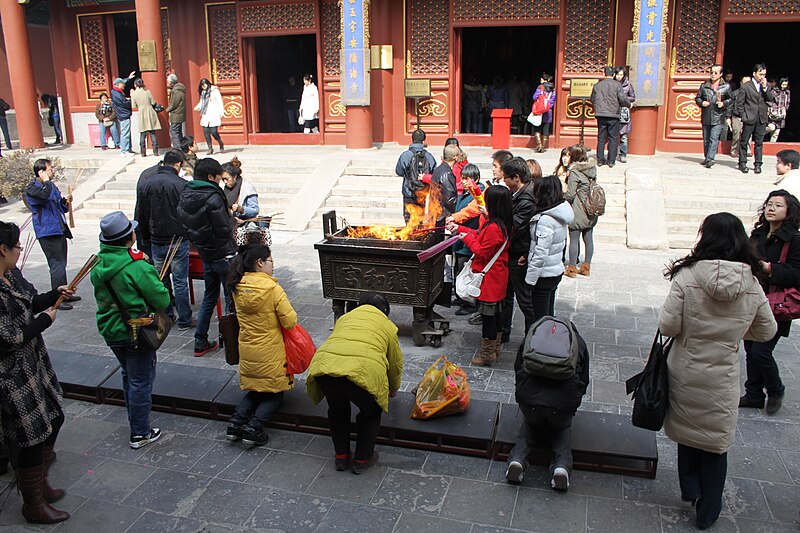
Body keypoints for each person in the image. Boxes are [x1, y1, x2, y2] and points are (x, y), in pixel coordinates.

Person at [659, 212, 777, 530]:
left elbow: (668, 325)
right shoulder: (752, 283)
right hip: (722, 374)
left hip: (685, 368)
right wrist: (734, 332)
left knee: (687, 429)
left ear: (704, 237)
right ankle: (709, 507)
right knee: (715, 441)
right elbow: (766, 330)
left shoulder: (688, 276)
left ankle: (691, 488)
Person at [0, 221, 73, 524]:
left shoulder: (10, 276)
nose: (19, 251)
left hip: (33, 364)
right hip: (10, 376)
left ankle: (39, 480)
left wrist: (54, 295)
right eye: (16, 247)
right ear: (2, 249)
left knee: (55, 414)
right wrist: (45, 320)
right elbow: (10, 337)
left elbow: (31, 299)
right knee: (29, 435)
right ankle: (33, 503)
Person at [90, 211, 171, 450]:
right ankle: (140, 432)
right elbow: (162, 300)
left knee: (129, 374)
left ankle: (136, 421)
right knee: (140, 381)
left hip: (111, 330)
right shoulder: (137, 267)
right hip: (136, 333)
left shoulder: (98, 264)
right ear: (130, 237)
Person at [306, 292, 403, 474]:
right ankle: (362, 459)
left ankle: (341, 456)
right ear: (385, 310)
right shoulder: (387, 326)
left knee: (337, 410)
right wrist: (393, 388)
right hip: (361, 372)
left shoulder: (344, 318)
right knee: (371, 412)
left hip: (325, 368)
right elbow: (395, 362)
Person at [225, 244, 298, 446]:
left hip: (248, 348)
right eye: (270, 261)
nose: (272, 265)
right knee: (275, 393)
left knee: (256, 390)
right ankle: (253, 427)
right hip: (270, 350)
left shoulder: (236, 285)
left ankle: (235, 423)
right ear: (260, 263)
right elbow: (289, 321)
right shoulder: (273, 289)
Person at [505, 324, 590, 491]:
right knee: (561, 428)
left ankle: (517, 460)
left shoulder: (532, 336)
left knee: (531, 424)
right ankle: (561, 467)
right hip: (561, 405)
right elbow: (584, 381)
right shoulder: (578, 343)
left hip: (530, 401)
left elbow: (518, 369)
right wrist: (572, 405)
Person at [739, 190, 800, 416]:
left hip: (776, 304)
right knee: (749, 348)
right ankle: (754, 394)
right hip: (752, 298)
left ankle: (775, 389)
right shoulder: (758, 234)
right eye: (769, 204)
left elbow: (796, 273)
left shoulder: (794, 240)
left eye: (778, 205)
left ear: (790, 211)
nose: (771, 208)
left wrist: (769, 268)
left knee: (761, 351)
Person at [177, 158, 237, 357]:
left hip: (206, 253)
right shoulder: (212, 195)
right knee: (231, 298)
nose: (220, 182)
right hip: (223, 253)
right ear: (211, 177)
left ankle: (200, 340)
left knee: (209, 297)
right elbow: (223, 229)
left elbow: (187, 226)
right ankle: (234, 341)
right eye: (219, 178)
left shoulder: (187, 193)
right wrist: (232, 221)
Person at [447, 186, 512, 366]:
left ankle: (487, 353)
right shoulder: (501, 222)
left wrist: (467, 239)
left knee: (489, 317)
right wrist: (460, 229)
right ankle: (495, 348)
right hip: (497, 275)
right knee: (496, 315)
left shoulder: (494, 227)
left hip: (490, 278)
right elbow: (478, 235)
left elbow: (481, 251)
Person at [134, 149, 194, 331]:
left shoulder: (146, 183)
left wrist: (143, 238)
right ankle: (184, 318)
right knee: (180, 281)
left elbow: (140, 213)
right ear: (177, 164)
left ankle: (168, 314)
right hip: (177, 239)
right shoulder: (181, 184)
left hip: (156, 239)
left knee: (161, 280)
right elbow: (188, 213)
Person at [24, 159, 79, 310]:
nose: (52, 171)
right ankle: (57, 297)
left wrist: (65, 202)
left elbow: (58, 205)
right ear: (41, 172)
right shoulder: (33, 188)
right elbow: (44, 197)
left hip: (59, 229)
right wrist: (47, 182)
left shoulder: (50, 186)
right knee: (56, 265)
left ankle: (65, 293)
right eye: (50, 168)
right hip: (47, 232)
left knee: (62, 263)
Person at [525, 175, 573, 320]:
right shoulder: (560, 214)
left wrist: (529, 280)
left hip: (544, 275)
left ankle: (540, 342)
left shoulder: (546, 220)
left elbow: (540, 253)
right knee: (547, 314)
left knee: (540, 319)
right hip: (554, 270)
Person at [499, 157, 536, 342]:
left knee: (524, 300)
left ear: (516, 177)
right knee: (506, 296)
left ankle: (532, 337)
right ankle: (504, 332)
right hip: (512, 252)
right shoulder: (518, 195)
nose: (504, 181)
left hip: (519, 253)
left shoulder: (527, 199)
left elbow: (514, 227)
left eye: (506, 177)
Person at [563, 145, 599, 277]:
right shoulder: (592, 169)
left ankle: (572, 268)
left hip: (578, 208)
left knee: (574, 238)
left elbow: (571, 194)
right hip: (590, 208)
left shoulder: (575, 171)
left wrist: (562, 197)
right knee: (588, 237)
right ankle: (586, 267)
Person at [737, 63, 774, 174]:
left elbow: (770, 98)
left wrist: (765, 87)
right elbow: (740, 103)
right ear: (754, 73)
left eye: (764, 74)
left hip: (761, 117)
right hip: (749, 116)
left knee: (759, 142)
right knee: (744, 141)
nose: (762, 76)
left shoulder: (766, 85)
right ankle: (742, 162)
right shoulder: (746, 86)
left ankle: (758, 164)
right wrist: (743, 115)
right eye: (760, 74)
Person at [590, 66, 631, 167]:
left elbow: (592, 99)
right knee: (613, 138)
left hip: (601, 115)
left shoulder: (597, 85)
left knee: (601, 138)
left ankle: (600, 160)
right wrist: (629, 105)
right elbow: (622, 99)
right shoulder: (617, 85)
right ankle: (611, 161)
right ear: (613, 75)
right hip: (613, 115)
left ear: (604, 74)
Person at [395, 129, 437, 223]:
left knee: (409, 220)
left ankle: (409, 235)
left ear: (412, 139)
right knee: (420, 219)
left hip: (408, 191)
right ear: (424, 139)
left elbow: (399, 172)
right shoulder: (429, 156)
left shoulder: (405, 155)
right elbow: (433, 174)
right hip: (422, 192)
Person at [695, 64, 731, 169]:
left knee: (713, 138)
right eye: (712, 72)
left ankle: (711, 159)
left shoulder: (726, 87)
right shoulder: (704, 85)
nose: (713, 75)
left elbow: (731, 100)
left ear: (721, 74)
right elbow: (698, 98)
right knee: (706, 139)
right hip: (706, 115)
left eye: (716, 73)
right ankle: (707, 157)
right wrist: (702, 103)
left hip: (718, 116)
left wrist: (723, 103)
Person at [130, 78, 162, 157]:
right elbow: (153, 102)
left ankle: (143, 152)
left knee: (142, 133)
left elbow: (134, 106)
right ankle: (155, 151)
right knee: (152, 132)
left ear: (135, 85)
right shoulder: (147, 91)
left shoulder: (134, 94)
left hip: (141, 112)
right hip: (150, 111)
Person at [222, 157, 260, 221]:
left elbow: (255, 211)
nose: (225, 182)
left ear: (234, 176)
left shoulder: (247, 188)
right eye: (223, 179)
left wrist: (241, 209)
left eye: (227, 179)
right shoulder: (224, 188)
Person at [195, 78, 225, 154]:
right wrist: (198, 106)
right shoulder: (203, 93)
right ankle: (210, 148)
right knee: (206, 132)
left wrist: (221, 112)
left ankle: (220, 142)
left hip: (214, 113)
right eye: (202, 85)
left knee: (214, 131)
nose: (203, 86)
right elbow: (202, 102)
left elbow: (220, 102)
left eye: (205, 84)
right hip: (206, 114)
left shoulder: (215, 91)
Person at [431, 143, 462, 217]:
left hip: (435, 211)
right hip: (443, 215)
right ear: (455, 157)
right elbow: (449, 199)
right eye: (459, 155)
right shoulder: (446, 174)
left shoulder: (438, 169)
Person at [111, 72, 137, 156]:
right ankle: (124, 150)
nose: (124, 85)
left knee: (126, 132)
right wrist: (131, 97)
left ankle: (128, 149)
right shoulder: (117, 94)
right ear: (118, 84)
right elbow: (124, 103)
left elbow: (124, 82)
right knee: (125, 133)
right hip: (123, 114)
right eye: (122, 84)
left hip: (124, 114)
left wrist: (128, 78)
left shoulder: (116, 91)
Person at [615, 66, 636, 163]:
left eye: (621, 75)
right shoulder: (612, 84)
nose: (619, 76)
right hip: (613, 111)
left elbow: (633, 97)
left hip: (623, 112)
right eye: (617, 74)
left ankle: (623, 154)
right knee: (613, 134)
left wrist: (624, 99)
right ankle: (613, 154)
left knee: (623, 136)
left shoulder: (628, 85)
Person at [531, 73, 556, 153]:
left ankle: (539, 145)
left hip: (539, 110)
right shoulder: (553, 88)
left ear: (543, 79)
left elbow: (534, 97)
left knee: (537, 127)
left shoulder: (540, 87)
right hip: (548, 110)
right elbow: (553, 99)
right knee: (546, 128)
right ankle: (544, 147)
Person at [727, 75, 750, 160]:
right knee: (736, 134)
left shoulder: (752, 94)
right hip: (736, 116)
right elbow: (730, 106)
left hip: (748, 116)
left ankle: (747, 151)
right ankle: (734, 151)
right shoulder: (735, 93)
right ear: (741, 83)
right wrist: (728, 117)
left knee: (748, 135)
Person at [165, 73, 186, 149]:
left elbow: (174, 103)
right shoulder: (179, 89)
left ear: (171, 82)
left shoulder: (176, 91)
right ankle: (182, 147)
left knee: (174, 132)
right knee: (178, 132)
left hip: (176, 114)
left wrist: (166, 110)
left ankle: (178, 148)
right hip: (179, 114)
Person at [767, 77, 790, 142]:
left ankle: (771, 147)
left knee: (776, 133)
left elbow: (788, 102)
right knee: (771, 127)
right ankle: (759, 133)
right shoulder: (774, 91)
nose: (784, 86)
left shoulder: (787, 92)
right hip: (773, 114)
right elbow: (769, 101)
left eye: (785, 85)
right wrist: (773, 107)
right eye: (783, 85)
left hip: (781, 115)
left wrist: (784, 109)